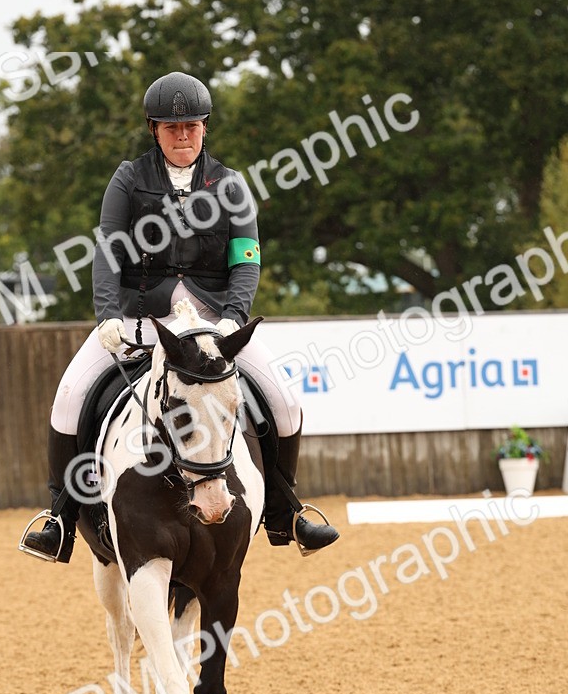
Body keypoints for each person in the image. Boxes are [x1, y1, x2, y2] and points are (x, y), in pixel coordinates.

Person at [21, 71, 339, 562]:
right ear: (154, 129)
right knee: (68, 399)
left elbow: (246, 259)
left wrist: (234, 319)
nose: (183, 135)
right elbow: (108, 251)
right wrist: (107, 315)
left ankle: (284, 510)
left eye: (191, 125)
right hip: (142, 317)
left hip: (217, 324)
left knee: (285, 401)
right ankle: (60, 519)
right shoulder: (129, 179)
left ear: (205, 127)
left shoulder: (231, 186)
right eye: (172, 128)